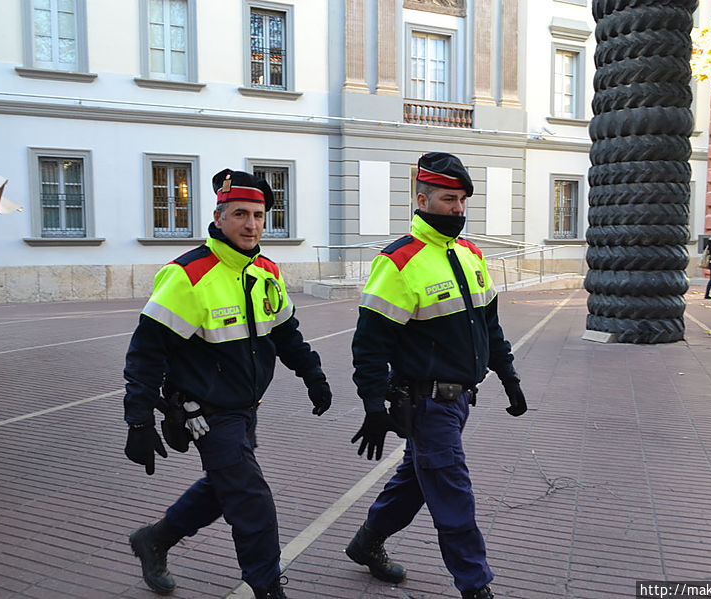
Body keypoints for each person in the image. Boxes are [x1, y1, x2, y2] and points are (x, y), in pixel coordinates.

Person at [122, 169, 333, 599]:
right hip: (206, 412)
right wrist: (138, 419)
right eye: (240, 214)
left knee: (224, 488)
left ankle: (155, 539)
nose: (251, 224)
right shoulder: (188, 275)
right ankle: (267, 586)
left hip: (244, 406)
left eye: (258, 215)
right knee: (251, 498)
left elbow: (285, 332)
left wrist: (313, 374)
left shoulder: (267, 270)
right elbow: (147, 351)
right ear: (219, 217)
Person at [346, 153, 527, 599]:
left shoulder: (470, 254)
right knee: (453, 496)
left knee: (416, 480)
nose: (458, 209)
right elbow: (370, 344)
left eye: (463, 200)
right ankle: (475, 585)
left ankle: (367, 543)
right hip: (425, 404)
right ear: (422, 199)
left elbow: (490, 325)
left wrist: (509, 376)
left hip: (461, 399)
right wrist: (372, 403)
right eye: (449, 199)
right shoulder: (398, 262)